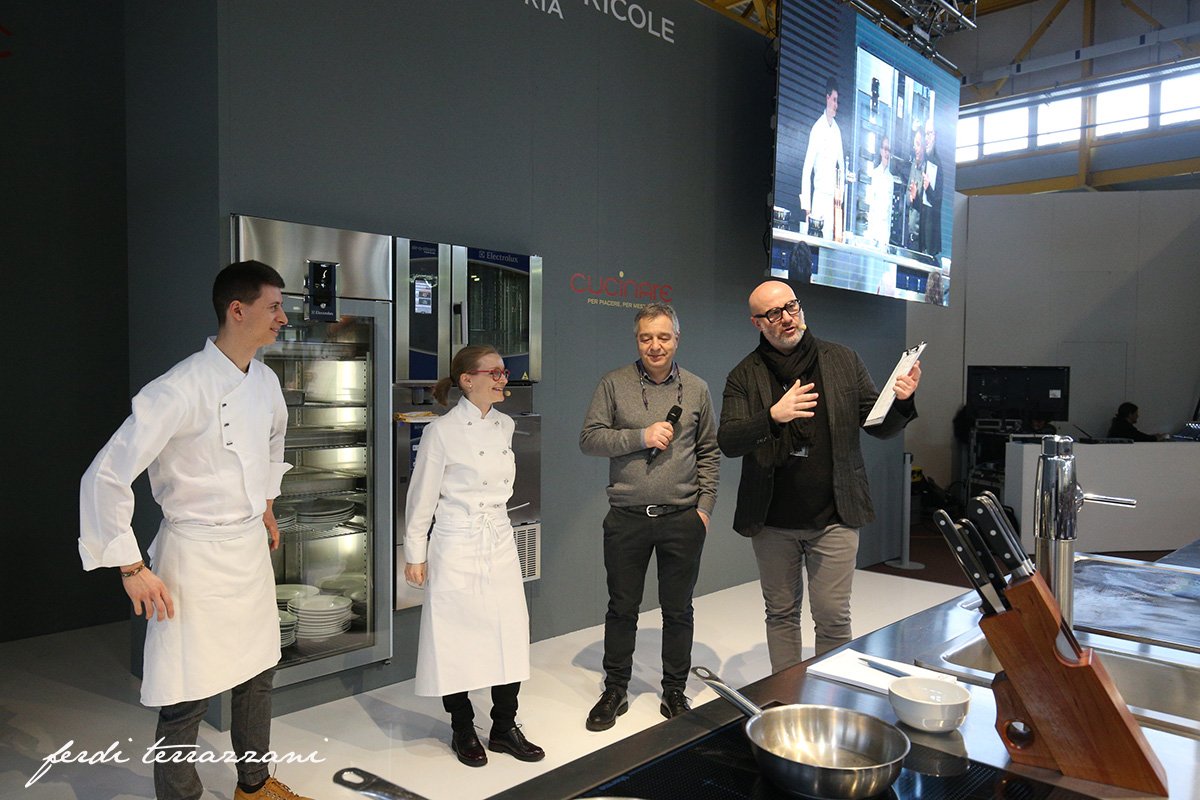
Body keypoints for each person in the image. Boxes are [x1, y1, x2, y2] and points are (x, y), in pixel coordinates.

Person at [78, 261, 312, 800]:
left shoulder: (265, 381)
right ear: (238, 310)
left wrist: (266, 503)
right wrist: (131, 566)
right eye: (274, 306)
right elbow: (105, 475)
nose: (283, 317)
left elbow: (273, 440)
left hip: (247, 549)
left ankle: (255, 785)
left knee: (258, 674)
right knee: (187, 693)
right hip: (194, 554)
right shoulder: (178, 388)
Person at [717, 280, 920, 673]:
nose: (786, 318)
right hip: (772, 520)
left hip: (835, 515)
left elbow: (876, 424)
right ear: (757, 323)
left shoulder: (841, 360)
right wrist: (772, 416)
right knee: (781, 614)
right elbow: (729, 439)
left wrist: (902, 401)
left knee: (833, 617)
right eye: (773, 314)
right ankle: (787, 696)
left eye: (791, 306)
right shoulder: (744, 375)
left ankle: (830, 697)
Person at [579, 303, 720, 731]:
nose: (655, 346)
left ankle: (674, 690)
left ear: (676, 339)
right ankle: (615, 689)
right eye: (646, 338)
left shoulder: (697, 388)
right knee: (622, 608)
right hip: (626, 517)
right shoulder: (613, 383)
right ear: (637, 340)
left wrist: (704, 509)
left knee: (678, 610)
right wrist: (640, 436)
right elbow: (589, 439)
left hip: (682, 518)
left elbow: (709, 452)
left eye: (663, 337)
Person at [403, 345, 544, 767]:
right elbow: (421, 497)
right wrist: (415, 552)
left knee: (509, 632)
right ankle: (462, 727)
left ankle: (504, 727)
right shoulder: (440, 432)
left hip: (498, 537)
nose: (503, 379)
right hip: (456, 541)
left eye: (504, 373)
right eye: (494, 373)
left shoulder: (505, 425)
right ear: (468, 380)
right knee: (454, 638)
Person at [800, 77, 846, 239]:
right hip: (818, 199)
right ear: (827, 98)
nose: (836, 105)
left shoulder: (837, 131)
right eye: (834, 100)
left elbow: (842, 167)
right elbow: (807, 170)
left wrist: (840, 199)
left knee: (830, 243)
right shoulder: (817, 129)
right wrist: (807, 208)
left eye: (837, 101)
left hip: (832, 202)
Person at [865, 135, 895, 248]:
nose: (887, 153)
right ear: (881, 150)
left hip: (884, 233)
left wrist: (887, 236)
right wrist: (870, 233)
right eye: (885, 149)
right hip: (873, 229)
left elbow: (889, 211)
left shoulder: (890, 179)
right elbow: (870, 206)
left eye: (889, 150)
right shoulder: (874, 174)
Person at [921, 117, 943, 258]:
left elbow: (937, 200)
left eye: (929, 134)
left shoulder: (936, 163)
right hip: (924, 234)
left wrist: (928, 188)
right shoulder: (927, 159)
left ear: (935, 135)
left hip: (930, 238)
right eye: (926, 134)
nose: (927, 138)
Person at [906, 124, 927, 253]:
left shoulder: (928, 169)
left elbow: (927, 207)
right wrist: (911, 197)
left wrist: (916, 197)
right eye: (915, 144)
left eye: (918, 144)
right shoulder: (914, 164)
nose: (915, 148)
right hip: (910, 238)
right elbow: (907, 198)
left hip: (920, 243)